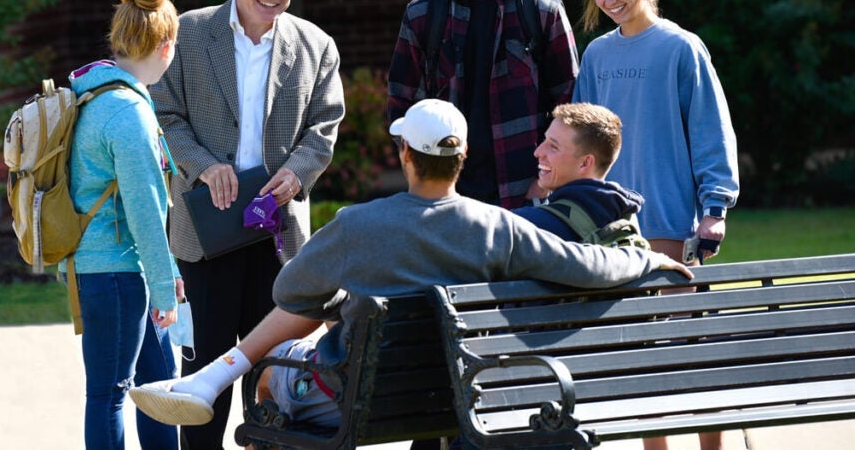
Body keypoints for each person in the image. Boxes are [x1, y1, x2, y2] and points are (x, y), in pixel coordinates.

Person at [128, 98, 693, 432]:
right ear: (462, 157)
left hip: (355, 398)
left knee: (274, 374)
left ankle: (214, 376)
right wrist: (647, 264)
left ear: (404, 155)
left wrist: (345, 292)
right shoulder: (500, 227)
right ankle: (208, 379)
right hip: (459, 392)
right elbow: (587, 265)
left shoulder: (357, 226)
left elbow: (290, 288)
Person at [150, 0, 346, 449]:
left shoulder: (316, 44)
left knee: (271, 371)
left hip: (278, 237)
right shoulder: (187, 35)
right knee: (203, 369)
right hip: (203, 230)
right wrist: (204, 166)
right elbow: (162, 114)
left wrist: (298, 172)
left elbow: (326, 124)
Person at [572, 0, 740, 450]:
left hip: (672, 225)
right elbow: (581, 139)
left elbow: (712, 132)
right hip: (615, 233)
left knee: (690, 354)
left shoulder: (681, 47)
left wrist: (714, 209)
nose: (609, 0)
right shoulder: (597, 54)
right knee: (642, 358)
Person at [387, 0, 579, 211]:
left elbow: (571, 104)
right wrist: (423, 175)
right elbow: (401, 104)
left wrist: (546, 180)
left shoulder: (541, 8)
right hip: (446, 193)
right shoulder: (424, 14)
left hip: (525, 192)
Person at [65, 0, 185, 449]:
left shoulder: (93, 93)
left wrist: (164, 274)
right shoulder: (127, 113)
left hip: (116, 269)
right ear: (165, 45)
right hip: (114, 274)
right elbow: (145, 210)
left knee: (158, 388)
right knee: (110, 395)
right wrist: (164, 288)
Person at [517, 101, 646, 245]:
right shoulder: (625, 221)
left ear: (585, 163)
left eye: (553, 146)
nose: (538, 152)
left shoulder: (527, 225)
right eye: (544, 140)